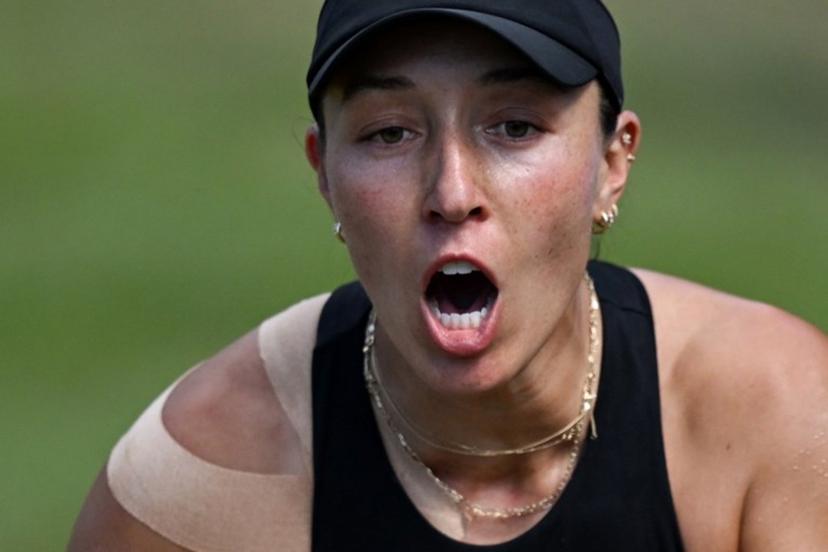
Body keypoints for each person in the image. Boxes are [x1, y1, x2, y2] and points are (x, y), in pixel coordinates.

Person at [68, 1, 828, 550]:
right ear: (324, 174)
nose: (452, 193)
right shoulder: (199, 483)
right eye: (389, 132)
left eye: (515, 126)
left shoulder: (777, 423)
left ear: (611, 162)